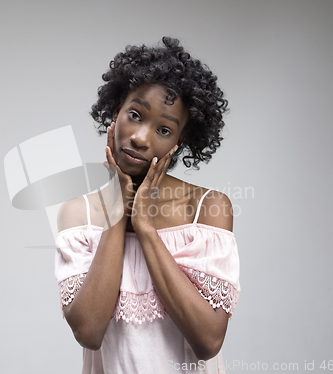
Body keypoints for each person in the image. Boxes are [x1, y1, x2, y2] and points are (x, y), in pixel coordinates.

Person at [54, 37, 240, 374]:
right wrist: (117, 214)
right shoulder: (77, 213)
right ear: (116, 112)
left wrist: (145, 227)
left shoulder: (207, 208)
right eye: (135, 115)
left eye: (164, 129)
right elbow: (89, 331)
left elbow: (208, 341)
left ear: (179, 141)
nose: (141, 137)